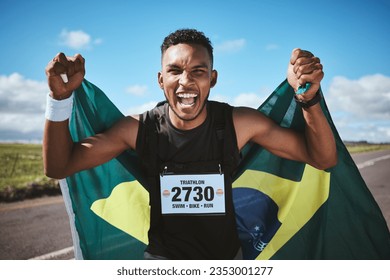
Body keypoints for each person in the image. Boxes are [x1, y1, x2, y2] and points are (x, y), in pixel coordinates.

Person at [43, 28, 337, 259]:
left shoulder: (239, 123)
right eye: (175, 71)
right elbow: (59, 166)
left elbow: (322, 158)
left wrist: (307, 99)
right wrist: (59, 100)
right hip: (162, 263)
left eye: (198, 71)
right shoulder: (139, 129)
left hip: (226, 263)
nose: (186, 81)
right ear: (160, 80)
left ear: (213, 78)